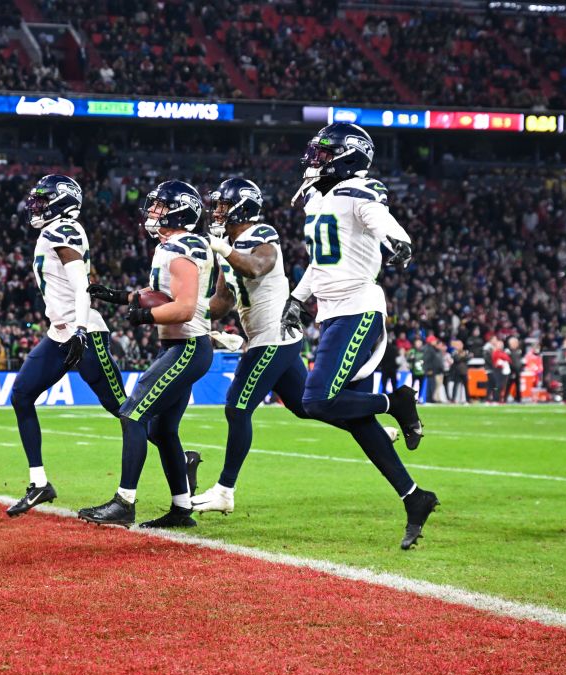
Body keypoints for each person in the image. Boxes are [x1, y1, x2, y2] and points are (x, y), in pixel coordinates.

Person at [281, 122, 437, 551]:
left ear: (348, 155)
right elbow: (322, 260)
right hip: (331, 312)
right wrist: (298, 297)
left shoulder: (359, 191)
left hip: (358, 309)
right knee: (354, 418)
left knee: (314, 401)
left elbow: (381, 219)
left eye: (324, 152)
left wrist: (398, 240)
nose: (316, 160)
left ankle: (397, 401)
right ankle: (414, 497)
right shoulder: (318, 197)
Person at [4, 175, 142, 517]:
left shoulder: (63, 229)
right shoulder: (54, 230)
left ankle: (174, 459)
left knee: (124, 410)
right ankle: (39, 484)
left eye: (42, 199)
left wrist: (81, 328)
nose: (35, 206)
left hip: (85, 334)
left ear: (61, 202)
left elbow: (82, 286)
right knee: (21, 395)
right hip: (60, 333)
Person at [81, 180, 216, 528]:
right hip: (180, 346)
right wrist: (117, 297)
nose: (152, 212)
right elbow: (155, 293)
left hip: (187, 346)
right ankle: (181, 509)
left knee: (133, 415)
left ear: (180, 210)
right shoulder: (169, 246)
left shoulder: (181, 248)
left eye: (159, 206)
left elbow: (183, 308)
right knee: (163, 430)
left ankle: (124, 501)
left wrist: (145, 316)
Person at [189, 178, 310, 514]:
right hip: (264, 338)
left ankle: (225, 491)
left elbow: (257, 266)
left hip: (273, 335)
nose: (217, 212)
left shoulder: (260, 234)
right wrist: (183, 308)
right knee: (307, 406)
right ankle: (383, 410)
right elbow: (222, 302)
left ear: (242, 207)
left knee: (237, 407)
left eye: (223, 206)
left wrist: (222, 248)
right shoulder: (229, 245)